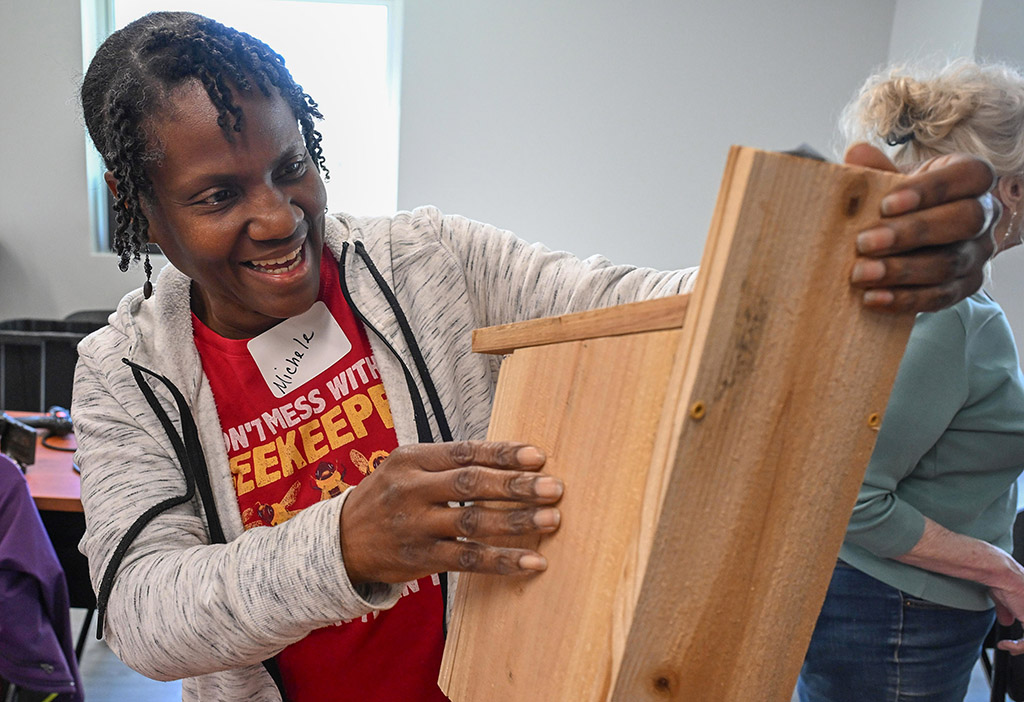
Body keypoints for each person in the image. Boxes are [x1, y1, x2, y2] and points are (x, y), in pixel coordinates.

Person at [73, 12, 999, 702]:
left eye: (291, 167)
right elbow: (145, 611)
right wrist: (350, 541)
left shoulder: (425, 260)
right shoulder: (127, 373)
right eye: (218, 194)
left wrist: (820, 250)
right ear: (137, 201)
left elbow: (644, 309)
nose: (276, 217)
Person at [797, 59, 1024, 702]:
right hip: (898, 620)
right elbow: (849, 496)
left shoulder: (955, 310)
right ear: (1012, 189)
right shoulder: (953, 318)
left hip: (900, 609)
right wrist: (1002, 571)